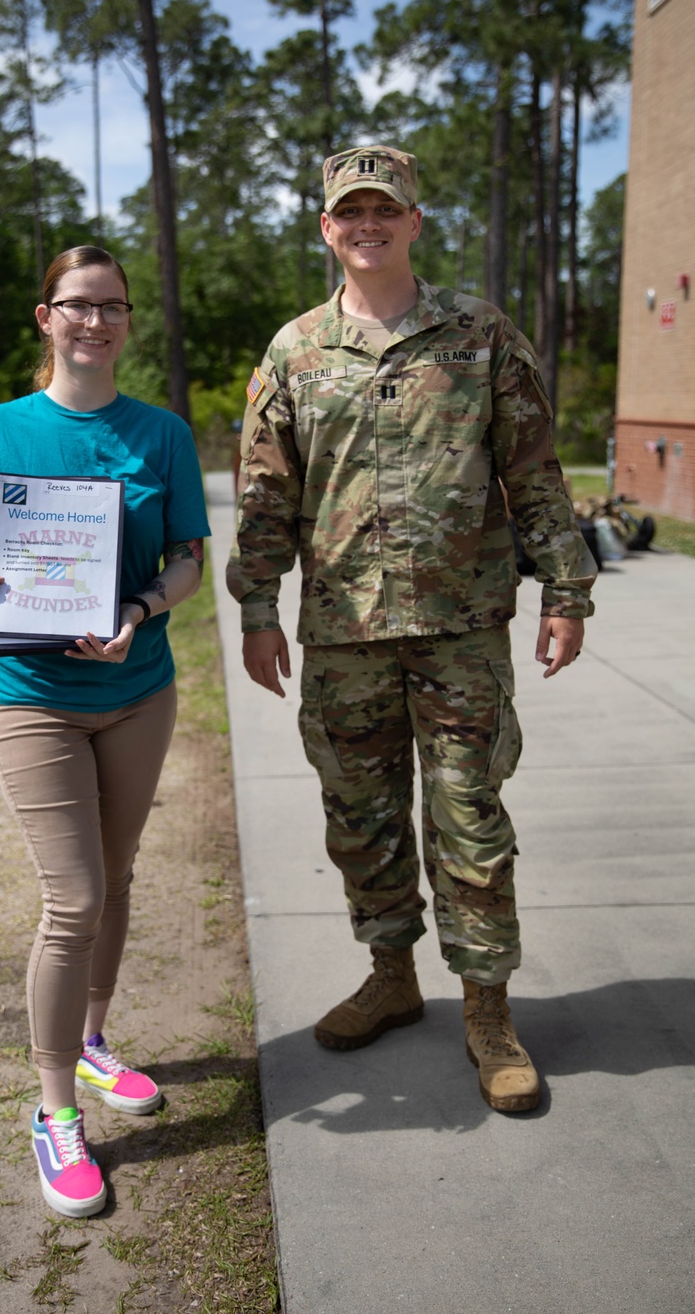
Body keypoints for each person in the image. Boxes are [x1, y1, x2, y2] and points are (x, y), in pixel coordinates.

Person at [227, 145, 596, 1114]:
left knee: (471, 820)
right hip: (343, 633)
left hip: (459, 629)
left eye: (383, 209)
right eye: (348, 213)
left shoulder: (478, 335)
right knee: (362, 819)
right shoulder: (293, 352)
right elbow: (266, 493)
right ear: (326, 230)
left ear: (415, 222)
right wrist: (258, 606)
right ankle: (391, 976)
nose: (366, 226)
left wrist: (566, 588)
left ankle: (486, 1011)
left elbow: (535, 474)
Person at [0, 245, 210, 1215]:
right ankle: (55, 1110)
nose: (94, 322)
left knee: (119, 878)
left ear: (128, 322)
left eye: (112, 307)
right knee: (75, 897)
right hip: (32, 693)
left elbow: (188, 562)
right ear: (44, 317)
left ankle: (93, 1042)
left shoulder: (161, 435)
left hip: (138, 689)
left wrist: (138, 608)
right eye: (76, 306)